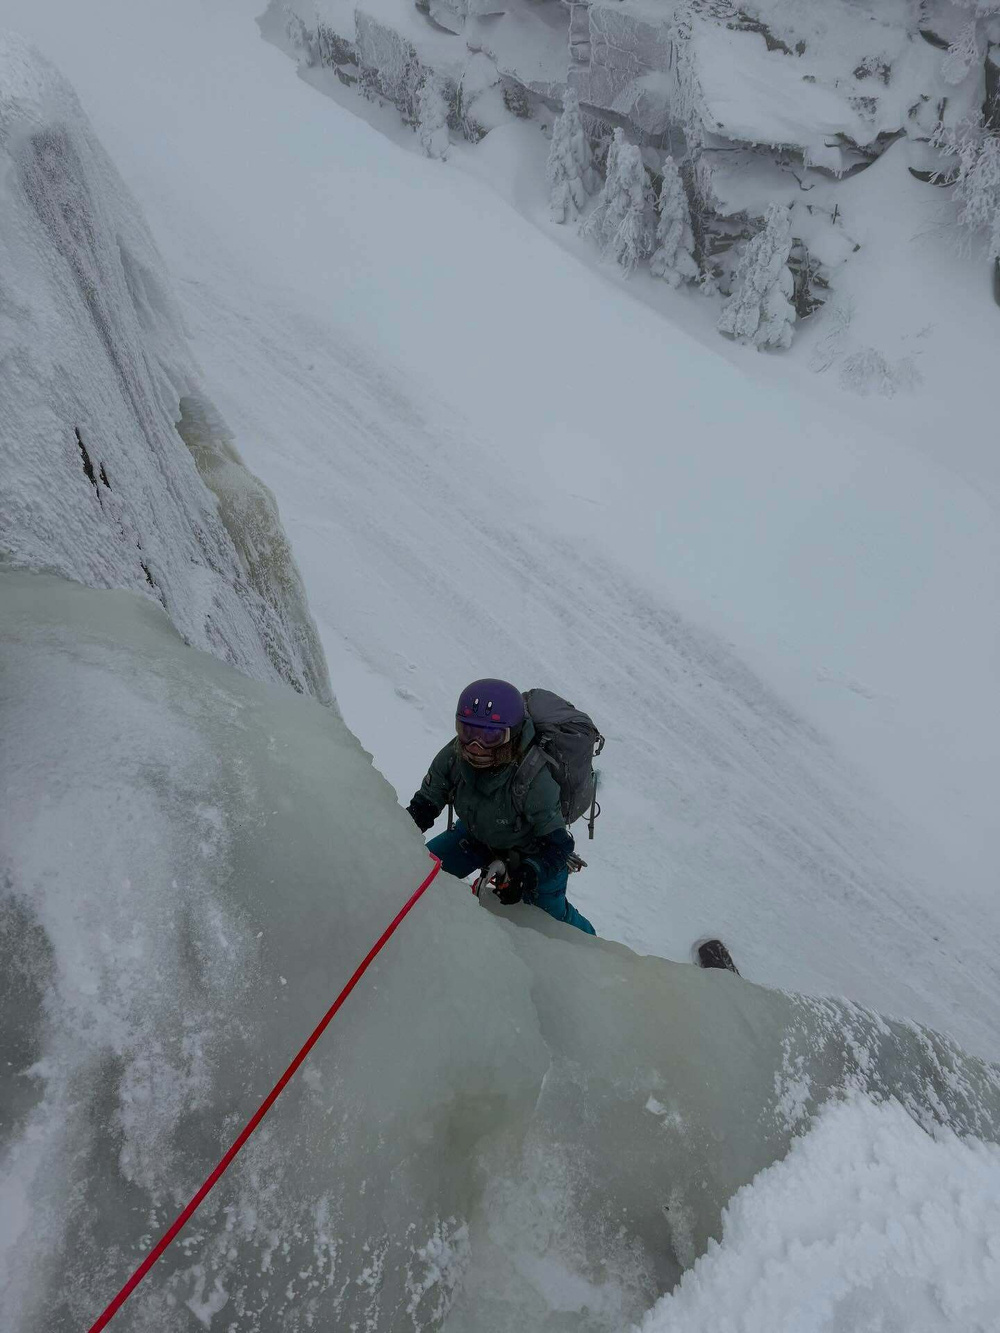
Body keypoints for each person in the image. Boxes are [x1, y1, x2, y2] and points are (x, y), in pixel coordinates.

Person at [406, 678, 596, 935]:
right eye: (468, 732)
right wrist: (396, 834)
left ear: (513, 735)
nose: (476, 746)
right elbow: (425, 805)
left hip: (533, 854)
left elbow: (558, 846)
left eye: (490, 736)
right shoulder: (453, 756)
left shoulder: (533, 778)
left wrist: (527, 874)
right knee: (414, 875)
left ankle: (592, 946)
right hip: (477, 835)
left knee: (555, 926)